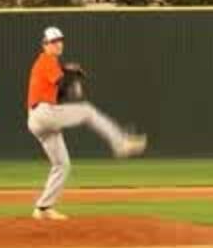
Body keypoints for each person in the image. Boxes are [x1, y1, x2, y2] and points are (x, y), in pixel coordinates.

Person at [25, 25, 147, 221]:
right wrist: (70, 75)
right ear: (45, 45)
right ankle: (121, 143)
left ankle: (43, 207)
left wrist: (68, 75)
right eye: (53, 42)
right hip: (43, 113)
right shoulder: (47, 60)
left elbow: (59, 93)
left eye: (60, 41)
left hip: (37, 119)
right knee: (87, 111)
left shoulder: (51, 65)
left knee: (62, 165)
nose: (58, 44)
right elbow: (62, 82)